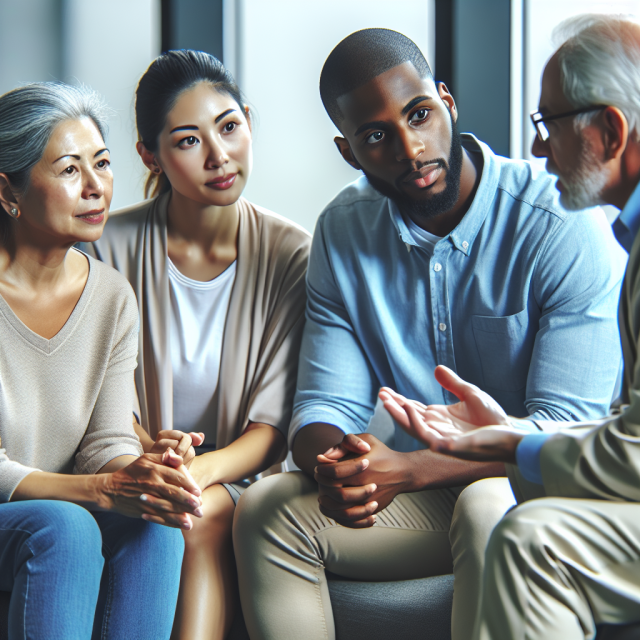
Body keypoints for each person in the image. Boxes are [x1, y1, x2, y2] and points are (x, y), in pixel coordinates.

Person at [232, 28, 628, 640]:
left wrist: (415, 468)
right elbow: (325, 404)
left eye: (419, 114)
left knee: (485, 507)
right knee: (265, 509)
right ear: (349, 151)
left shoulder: (562, 223)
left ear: (446, 100)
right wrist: (340, 462)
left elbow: (571, 425)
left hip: (534, 487)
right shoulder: (343, 231)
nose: (410, 148)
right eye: (376, 136)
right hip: (423, 485)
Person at [380, 14, 640, 640]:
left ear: (609, 130)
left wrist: (512, 447)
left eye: (549, 123)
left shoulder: (573, 238)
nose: (539, 148)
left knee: (533, 539)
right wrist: (512, 430)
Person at [85, 50, 310, 640]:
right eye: (188, 140)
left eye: (230, 127)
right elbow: (95, 396)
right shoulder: (105, 247)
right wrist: (152, 459)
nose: (219, 156)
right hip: (120, 460)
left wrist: (195, 471)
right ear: (149, 155)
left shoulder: (293, 256)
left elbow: (273, 427)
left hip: (233, 476)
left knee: (197, 511)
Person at [0, 82, 203, 640]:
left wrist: (141, 471)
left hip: (58, 513)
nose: (96, 188)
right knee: (66, 528)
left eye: (103, 164)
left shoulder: (112, 296)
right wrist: (98, 491)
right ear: (7, 190)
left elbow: (103, 442)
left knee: (155, 524)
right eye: (69, 170)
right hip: (39, 518)